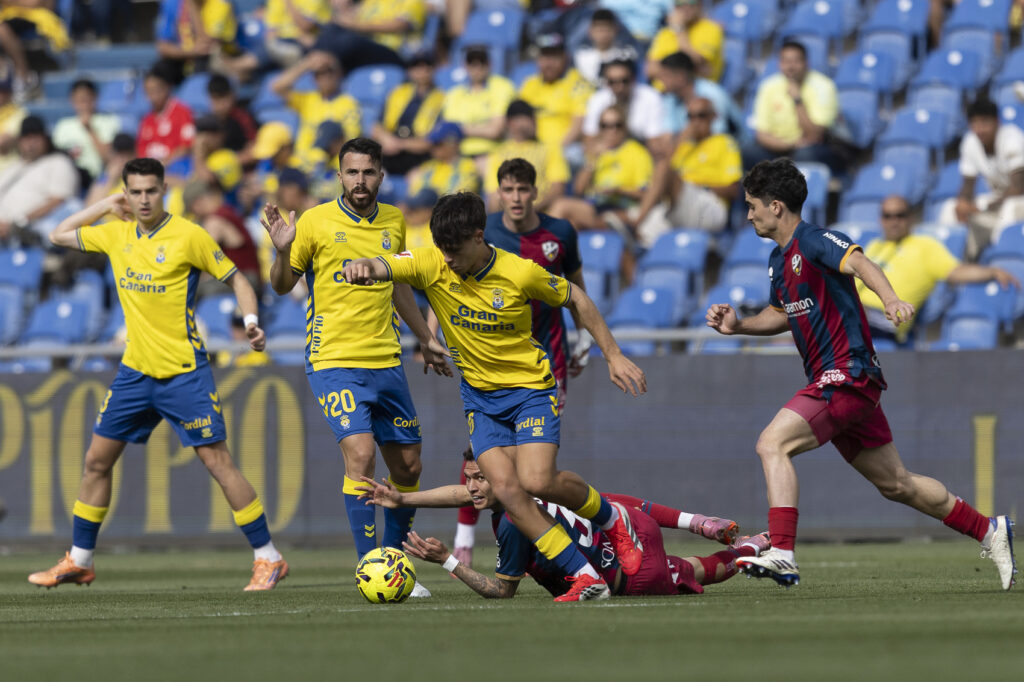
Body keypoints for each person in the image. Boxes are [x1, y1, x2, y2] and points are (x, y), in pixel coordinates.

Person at [704, 158, 1018, 590]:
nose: (749, 214)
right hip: (841, 382)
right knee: (897, 484)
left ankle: (782, 552)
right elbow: (780, 314)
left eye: (753, 205)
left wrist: (889, 299)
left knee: (772, 443)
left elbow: (862, 264)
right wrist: (738, 325)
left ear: (776, 206)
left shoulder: (815, 240)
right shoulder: (779, 261)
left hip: (847, 373)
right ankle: (989, 529)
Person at [340, 191, 648, 602]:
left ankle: (612, 519)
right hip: (480, 401)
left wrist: (612, 355)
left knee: (538, 481)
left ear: (479, 236)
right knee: (506, 490)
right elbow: (387, 266)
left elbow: (576, 297)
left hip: (529, 391)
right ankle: (586, 576)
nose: (447, 259)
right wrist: (364, 266)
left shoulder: (519, 272)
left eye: (455, 249)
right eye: (442, 250)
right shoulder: (432, 261)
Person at [32, 157, 287, 591]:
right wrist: (103, 206)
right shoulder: (115, 233)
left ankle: (269, 558)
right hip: (135, 372)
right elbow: (57, 233)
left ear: (164, 190)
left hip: (183, 372)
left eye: (152, 190)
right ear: (126, 194)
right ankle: (80, 559)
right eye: (136, 192)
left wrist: (249, 323)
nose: (145, 199)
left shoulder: (189, 236)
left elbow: (240, 279)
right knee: (96, 461)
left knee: (218, 462)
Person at [261, 138, 447, 596]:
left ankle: (396, 561)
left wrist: (425, 337)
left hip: (386, 360)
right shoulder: (315, 221)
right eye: (352, 173)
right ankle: (372, 567)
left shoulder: (393, 221)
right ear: (339, 176)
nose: (360, 181)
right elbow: (283, 287)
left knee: (407, 465)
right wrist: (283, 252)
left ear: (382, 175)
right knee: (360, 455)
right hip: (333, 360)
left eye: (368, 172)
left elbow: (399, 282)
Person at [358, 450, 756, 600]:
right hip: (629, 528)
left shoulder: (514, 521)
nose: (471, 487)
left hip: (630, 575)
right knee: (608, 503)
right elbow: (461, 495)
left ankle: (753, 549)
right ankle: (735, 537)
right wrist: (403, 498)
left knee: (702, 570)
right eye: (469, 477)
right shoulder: (526, 487)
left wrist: (448, 561)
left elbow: (502, 591)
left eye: (480, 477)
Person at [451, 157, 588, 564]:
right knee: (484, 454)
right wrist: (432, 335)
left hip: (548, 361)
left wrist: (582, 338)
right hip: (489, 359)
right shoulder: (483, 233)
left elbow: (576, 290)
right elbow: (446, 282)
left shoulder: (560, 233)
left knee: (532, 467)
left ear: (535, 191)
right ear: (499, 192)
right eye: (507, 189)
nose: (515, 197)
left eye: (523, 189)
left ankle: (520, 545)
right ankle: (465, 536)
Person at [860, 195, 1020, 346]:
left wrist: (992, 272)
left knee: (848, 312)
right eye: (887, 216)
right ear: (880, 219)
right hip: (858, 313)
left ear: (911, 218)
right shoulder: (874, 245)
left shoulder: (924, 245)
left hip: (888, 319)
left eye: (900, 215)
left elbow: (955, 272)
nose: (893, 221)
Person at [634, 96, 741, 245]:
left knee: (641, 220)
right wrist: (680, 141)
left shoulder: (724, 142)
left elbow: (733, 190)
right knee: (641, 235)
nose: (695, 121)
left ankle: (638, 221)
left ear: (713, 116)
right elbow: (662, 175)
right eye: (690, 117)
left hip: (710, 204)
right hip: (678, 205)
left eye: (701, 115)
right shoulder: (684, 147)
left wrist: (700, 186)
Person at [939, 98, 1024, 257]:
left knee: (1010, 207)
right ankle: (954, 263)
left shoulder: (1012, 138)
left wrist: (984, 206)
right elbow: (967, 185)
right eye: (975, 123)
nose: (980, 129)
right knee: (950, 208)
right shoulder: (970, 142)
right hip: (996, 201)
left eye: (985, 122)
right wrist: (963, 203)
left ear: (997, 122)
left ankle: (1005, 258)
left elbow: (1019, 188)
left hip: (1017, 202)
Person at [743, 41, 841, 172]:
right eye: (786, 61)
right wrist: (790, 145)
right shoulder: (768, 86)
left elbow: (814, 135)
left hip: (814, 148)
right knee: (746, 151)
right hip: (781, 147)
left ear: (806, 63)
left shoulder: (824, 86)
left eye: (796, 61)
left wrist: (797, 100)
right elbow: (761, 134)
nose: (790, 67)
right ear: (780, 64)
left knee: (804, 155)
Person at [271, 50, 361, 167]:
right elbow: (277, 87)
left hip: (328, 168)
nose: (325, 77)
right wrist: (306, 65)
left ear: (339, 74)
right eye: (318, 73)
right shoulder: (309, 99)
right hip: (300, 165)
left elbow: (350, 142)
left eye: (329, 71)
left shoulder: (349, 103)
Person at [0, 115, 80, 245]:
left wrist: (20, 222)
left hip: (32, 233)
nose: (30, 143)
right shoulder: (12, 168)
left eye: (35, 138)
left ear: (45, 139)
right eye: (26, 138)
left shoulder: (59, 162)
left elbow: (59, 201)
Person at [484, 100, 569, 213]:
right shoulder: (498, 153)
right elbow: (493, 194)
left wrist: (532, 210)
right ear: (511, 122)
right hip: (510, 216)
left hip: (542, 212)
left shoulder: (549, 149)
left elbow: (558, 188)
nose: (535, 122)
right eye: (529, 118)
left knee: (561, 206)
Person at [517, 33, 592, 158]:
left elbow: (578, 125)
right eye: (544, 57)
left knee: (574, 155)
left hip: (566, 148)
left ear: (565, 58)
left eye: (554, 57)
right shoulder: (530, 84)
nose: (549, 63)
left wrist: (554, 153)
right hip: (534, 148)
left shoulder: (577, 82)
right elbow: (519, 120)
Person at [371, 48, 444, 177]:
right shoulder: (397, 93)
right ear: (410, 70)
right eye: (416, 66)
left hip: (418, 157)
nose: (421, 70)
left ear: (433, 69)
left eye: (426, 65)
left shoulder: (442, 99)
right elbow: (376, 127)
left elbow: (432, 142)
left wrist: (400, 144)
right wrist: (387, 139)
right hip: (390, 148)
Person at [440, 45, 515, 162]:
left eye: (482, 62)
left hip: (493, 153)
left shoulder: (502, 87)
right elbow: (448, 132)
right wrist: (483, 127)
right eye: (472, 63)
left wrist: (461, 128)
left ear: (490, 64)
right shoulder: (454, 94)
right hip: (459, 155)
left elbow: (495, 130)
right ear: (465, 66)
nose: (478, 67)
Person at [582, 57, 668, 155]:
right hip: (608, 154)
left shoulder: (650, 97)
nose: (619, 87)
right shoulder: (597, 100)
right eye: (612, 82)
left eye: (624, 81)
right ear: (606, 82)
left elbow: (654, 141)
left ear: (633, 79)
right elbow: (589, 139)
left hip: (642, 152)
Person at [52, 79, 121, 182]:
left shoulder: (108, 122)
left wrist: (89, 129)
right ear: (72, 100)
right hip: (67, 177)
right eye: (78, 99)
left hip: (96, 178)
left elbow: (108, 158)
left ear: (95, 98)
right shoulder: (63, 125)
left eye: (86, 99)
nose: (83, 104)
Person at [646, 0, 724, 83]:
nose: (685, 7)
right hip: (663, 91)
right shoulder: (666, 33)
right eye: (679, 3)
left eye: (691, 2)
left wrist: (679, 29)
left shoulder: (711, 29)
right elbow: (651, 70)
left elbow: (696, 64)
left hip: (697, 91)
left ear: (700, 4)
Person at [136, 65, 195, 164]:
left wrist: (165, 162)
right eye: (148, 92)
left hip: (175, 166)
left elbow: (186, 147)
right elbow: (141, 150)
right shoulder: (147, 119)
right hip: (151, 169)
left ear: (167, 87)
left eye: (156, 91)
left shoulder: (182, 112)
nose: (152, 97)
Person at [406, 122, 480, 197]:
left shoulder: (467, 166)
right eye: (432, 143)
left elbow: (459, 198)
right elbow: (414, 195)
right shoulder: (429, 165)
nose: (432, 147)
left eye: (437, 144)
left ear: (452, 144)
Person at [574, 9, 637, 87]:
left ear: (615, 30)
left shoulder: (627, 54)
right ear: (590, 31)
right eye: (600, 30)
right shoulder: (581, 57)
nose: (603, 34)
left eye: (607, 29)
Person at [206, 74, 258, 158]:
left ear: (232, 96)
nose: (220, 104)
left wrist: (232, 160)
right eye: (215, 99)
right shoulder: (207, 121)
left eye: (222, 97)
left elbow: (254, 148)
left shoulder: (243, 118)